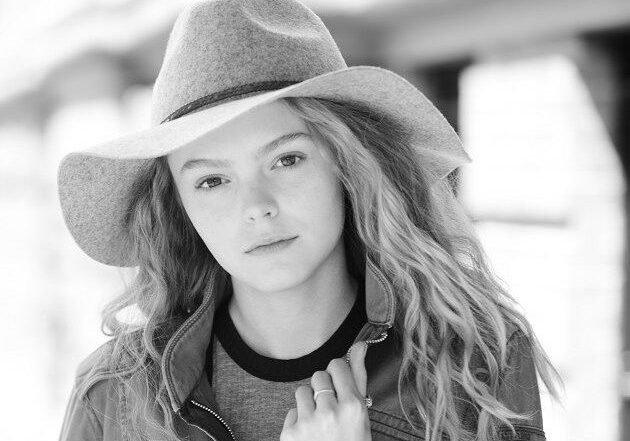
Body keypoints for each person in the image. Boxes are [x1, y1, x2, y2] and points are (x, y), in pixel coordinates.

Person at [57, 1, 564, 441]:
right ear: (181, 208)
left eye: (287, 160)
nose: (257, 206)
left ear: (347, 165)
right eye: (212, 181)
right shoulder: (115, 399)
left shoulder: (470, 363)